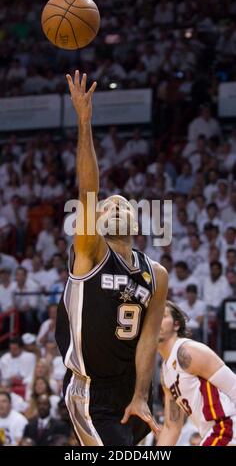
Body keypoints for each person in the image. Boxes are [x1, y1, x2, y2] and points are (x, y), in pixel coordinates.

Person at [55, 70, 168, 446]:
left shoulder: (157, 273)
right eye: (108, 206)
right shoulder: (90, 252)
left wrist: (140, 394)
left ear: (137, 221)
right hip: (92, 392)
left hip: (131, 392)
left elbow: (149, 338)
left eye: (124, 204)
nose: (116, 205)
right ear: (96, 222)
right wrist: (84, 121)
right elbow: (88, 189)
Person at [157, 301, 236, 446]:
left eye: (162, 316)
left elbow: (234, 387)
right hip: (212, 433)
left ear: (176, 325)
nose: (155, 321)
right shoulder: (165, 371)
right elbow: (171, 428)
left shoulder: (188, 351)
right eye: (153, 317)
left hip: (226, 428)